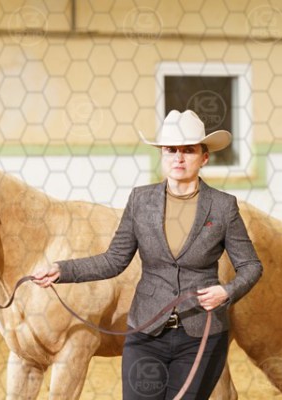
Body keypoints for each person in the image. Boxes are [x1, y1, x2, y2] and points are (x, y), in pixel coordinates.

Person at [33, 109, 263, 399]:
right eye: (170, 150)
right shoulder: (140, 200)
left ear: (204, 157)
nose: (178, 158)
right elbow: (114, 260)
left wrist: (226, 292)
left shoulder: (223, 206)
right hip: (145, 335)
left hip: (201, 337)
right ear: (162, 155)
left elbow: (251, 265)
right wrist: (62, 270)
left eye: (188, 150)